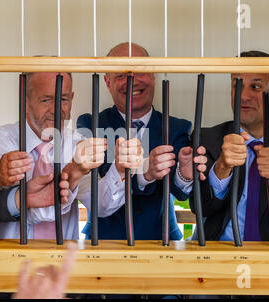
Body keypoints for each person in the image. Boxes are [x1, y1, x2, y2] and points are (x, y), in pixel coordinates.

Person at [77, 42, 207, 241]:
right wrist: (144, 173)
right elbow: (93, 190)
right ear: (107, 82)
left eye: (140, 71)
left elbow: (180, 192)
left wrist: (184, 174)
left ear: (153, 76)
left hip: (163, 244)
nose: (132, 81)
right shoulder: (91, 124)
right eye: (120, 75)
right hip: (102, 244)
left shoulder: (177, 128)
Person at [0, 72, 143, 239]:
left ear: (72, 99)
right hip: (9, 259)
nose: (56, 109)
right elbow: (33, 210)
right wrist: (74, 170)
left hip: (64, 262)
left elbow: (100, 205)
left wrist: (121, 170)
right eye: (46, 100)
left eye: (63, 99)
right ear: (25, 100)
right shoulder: (1, 141)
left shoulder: (77, 143)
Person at [191, 50, 269, 242]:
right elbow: (199, 206)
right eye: (238, 85)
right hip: (218, 257)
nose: (243, 96)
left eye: (256, 86)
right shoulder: (207, 138)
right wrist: (221, 169)